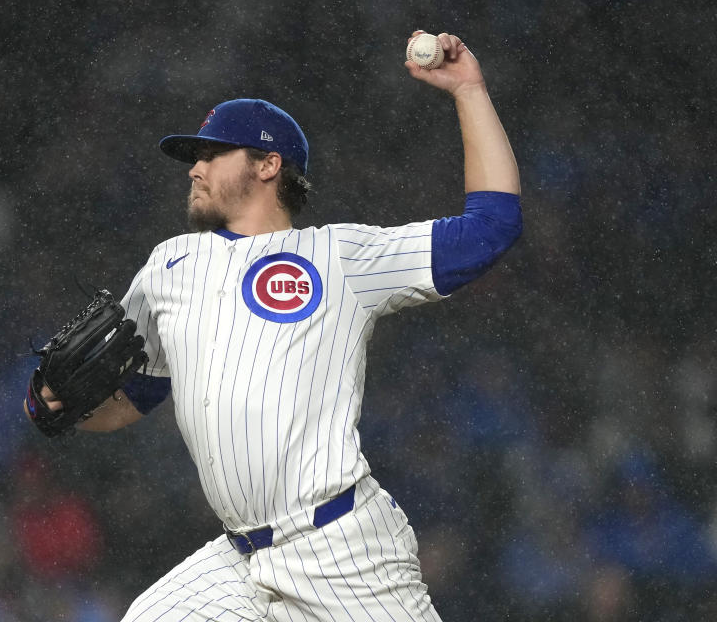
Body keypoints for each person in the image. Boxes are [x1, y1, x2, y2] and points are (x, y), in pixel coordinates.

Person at [38, 31, 521, 621]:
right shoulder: (167, 266)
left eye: (213, 153)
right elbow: (131, 399)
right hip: (239, 561)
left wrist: (469, 90)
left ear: (268, 165)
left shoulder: (339, 257)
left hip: (343, 551)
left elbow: (491, 228)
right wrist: (55, 408)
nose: (195, 168)